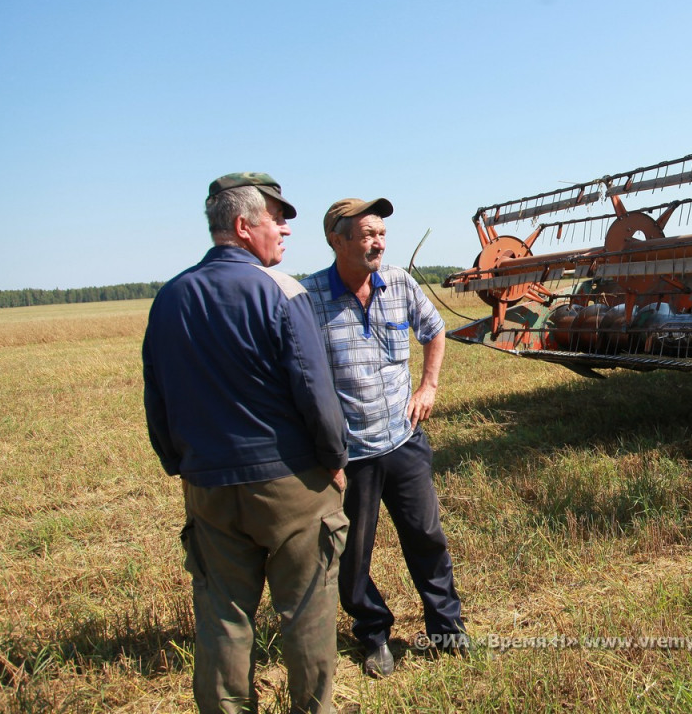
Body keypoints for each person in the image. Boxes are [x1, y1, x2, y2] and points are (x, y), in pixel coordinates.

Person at [142, 172, 350, 714]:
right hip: (289, 485)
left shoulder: (170, 297)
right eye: (276, 219)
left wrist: (181, 464)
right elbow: (316, 391)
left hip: (208, 486)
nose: (284, 230)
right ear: (242, 225)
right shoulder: (283, 291)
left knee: (222, 617)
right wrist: (333, 460)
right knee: (306, 611)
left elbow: (157, 396)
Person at [301, 197, 465, 678]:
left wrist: (429, 386)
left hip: (405, 440)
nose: (377, 242)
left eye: (381, 234)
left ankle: (447, 628)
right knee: (353, 558)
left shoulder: (398, 282)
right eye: (367, 233)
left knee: (427, 537)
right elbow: (296, 375)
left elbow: (435, 331)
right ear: (337, 240)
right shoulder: (308, 299)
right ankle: (374, 635)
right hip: (349, 457)